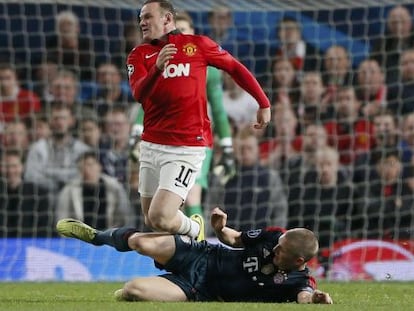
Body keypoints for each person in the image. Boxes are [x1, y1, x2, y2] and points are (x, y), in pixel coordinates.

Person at [127, 0, 270, 241]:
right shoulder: (138, 55)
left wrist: (263, 102)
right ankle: (183, 264)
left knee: (162, 215)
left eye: (148, 17)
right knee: (151, 220)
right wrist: (157, 68)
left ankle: (196, 230)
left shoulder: (198, 45)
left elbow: (234, 68)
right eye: (140, 18)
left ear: (167, 19)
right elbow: (139, 94)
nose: (142, 22)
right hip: (151, 144)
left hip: (187, 146)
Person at [56, 207, 333, 304]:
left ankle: (131, 293)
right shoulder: (275, 235)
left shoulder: (300, 281)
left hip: (198, 290)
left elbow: (305, 297)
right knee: (142, 242)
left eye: (281, 250)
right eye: (278, 243)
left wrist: (317, 300)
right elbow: (235, 239)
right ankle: (96, 236)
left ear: (299, 261)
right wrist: (220, 228)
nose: (275, 248)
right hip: (203, 255)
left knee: (132, 290)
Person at [131, 11, 236, 219]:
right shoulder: (160, 63)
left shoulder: (207, 67)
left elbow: (218, 109)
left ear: (192, 33)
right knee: (164, 202)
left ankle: (198, 245)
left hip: (196, 140)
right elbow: (149, 102)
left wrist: (227, 146)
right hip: (164, 139)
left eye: (184, 29)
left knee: (191, 195)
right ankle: (177, 245)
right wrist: (135, 131)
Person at [56, 151, 134, 230]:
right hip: (79, 238)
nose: (87, 170)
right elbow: (62, 217)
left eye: (90, 165)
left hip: (109, 236)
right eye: (82, 167)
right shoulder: (69, 189)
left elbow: (126, 216)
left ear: (99, 166)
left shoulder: (114, 187)